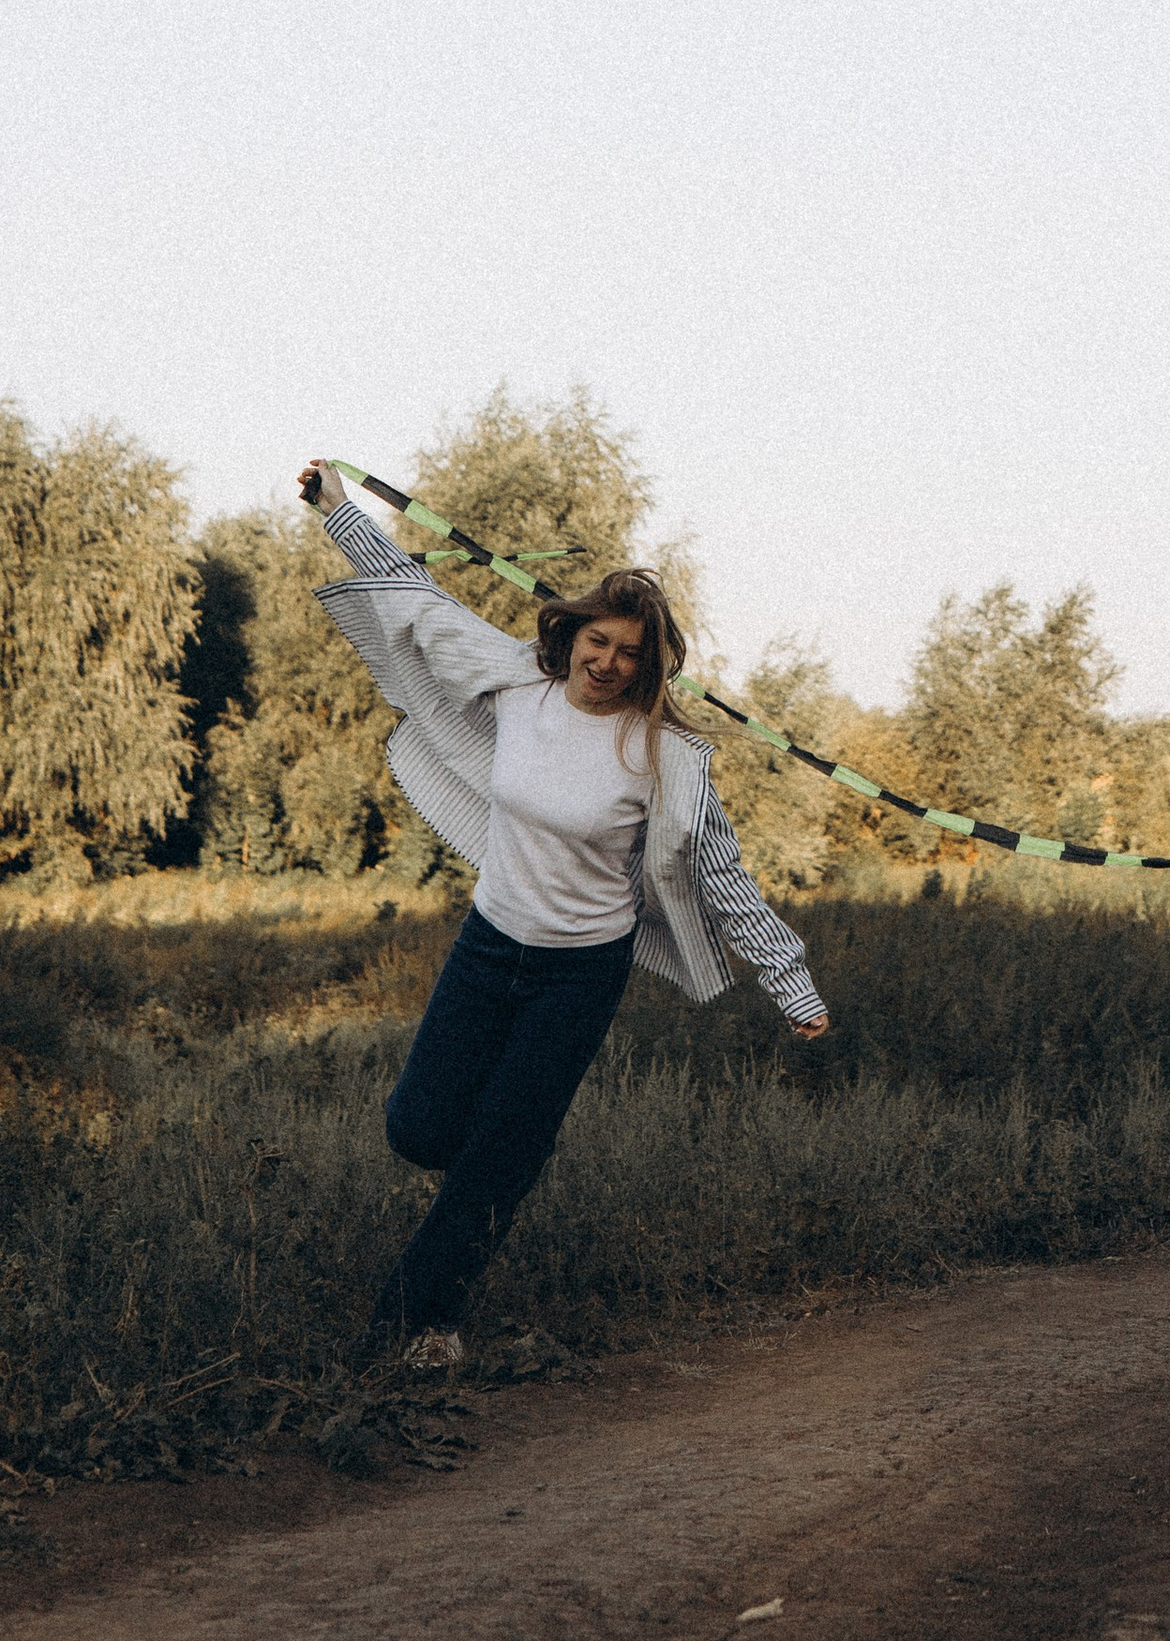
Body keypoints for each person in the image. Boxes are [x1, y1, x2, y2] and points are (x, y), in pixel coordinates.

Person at [298, 459, 827, 1367]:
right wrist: (337, 512)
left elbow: (723, 877)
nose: (607, 662)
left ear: (646, 665)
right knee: (419, 1129)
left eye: (628, 652)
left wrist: (791, 981)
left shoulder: (666, 759)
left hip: (579, 974)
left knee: (504, 1150)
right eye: (597, 641)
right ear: (572, 632)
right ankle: (490, 1168)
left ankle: (415, 1327)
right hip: (488, 946)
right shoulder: (517, 684)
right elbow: (417, 605)